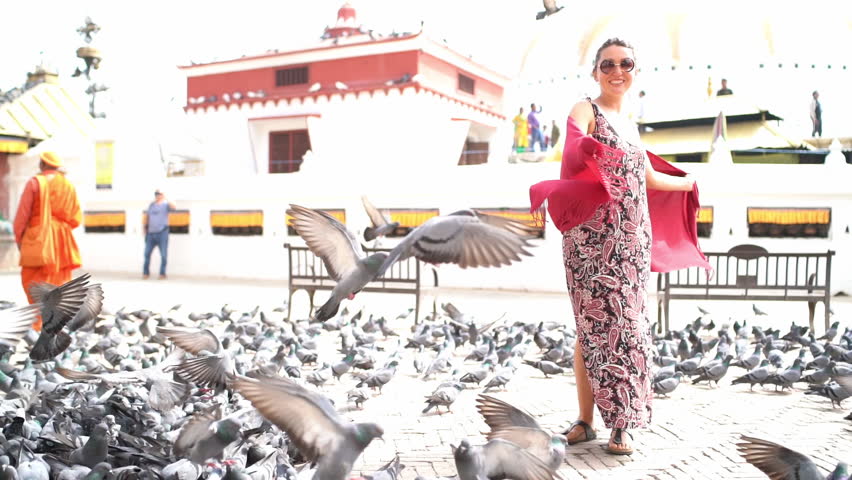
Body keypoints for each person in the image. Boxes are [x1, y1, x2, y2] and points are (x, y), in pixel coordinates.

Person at [529, 38, 710, 456]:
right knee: (589, 326)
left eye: (625, 63)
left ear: (634, 71)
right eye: (607, 64)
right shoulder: (585, 109)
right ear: (596, 72)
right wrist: (586, 146)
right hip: (590, 238)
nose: (617, 70)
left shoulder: (630, 124)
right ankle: (586, 420)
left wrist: (687, 182)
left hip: (630, 238)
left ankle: (622, 424)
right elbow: (573, 144)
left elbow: (645, 176)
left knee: (626, 327)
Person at [13, 151, 82, 328]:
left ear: (42, 164)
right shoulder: (67, 185)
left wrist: (20, 240)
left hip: (38, 240)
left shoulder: (35, 183)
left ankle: (38, 326)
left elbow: (22, 216)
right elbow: (75, 219)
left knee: (32, 281)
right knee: (59, 283)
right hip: (62, 241)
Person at [143, 189, 176, 279]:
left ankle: (162, 273)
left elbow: (174, 207)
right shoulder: (152, 205)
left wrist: (166, 198)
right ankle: (145, 273)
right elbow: (147, 217)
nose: (157, 195)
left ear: (162, 195)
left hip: (162, 233)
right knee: (146, 254)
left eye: (159, 194)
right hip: (151, 234)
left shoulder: (166, 205)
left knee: (163, 255)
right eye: (156, 194)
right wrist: (144, 228)